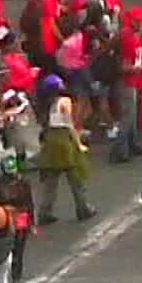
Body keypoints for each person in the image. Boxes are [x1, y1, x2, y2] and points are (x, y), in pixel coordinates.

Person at [34, 75, 96, 223]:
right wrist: (78, 143)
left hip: (51, 140)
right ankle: (83, 208)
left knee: (51, 180)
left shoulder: (46, 104)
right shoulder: (65, 101)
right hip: (64, 140)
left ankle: (44, 212)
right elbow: (69, 124)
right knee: (75, 177)